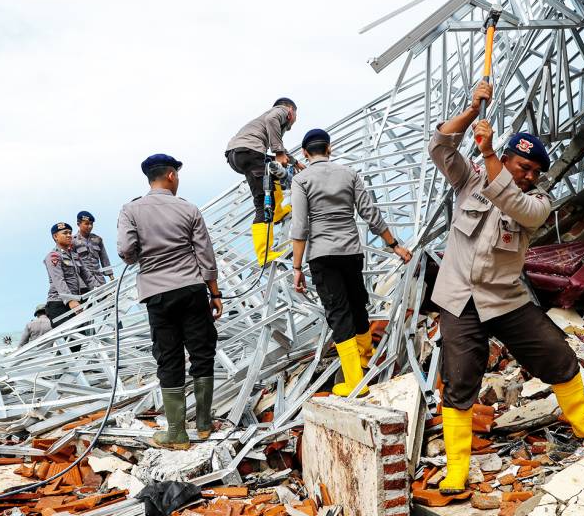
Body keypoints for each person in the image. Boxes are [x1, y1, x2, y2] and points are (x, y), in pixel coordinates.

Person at [428, 82, 584, 494]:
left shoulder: (537, 202)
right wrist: (470, 112)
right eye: (523, 167)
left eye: (535, 171)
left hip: (506, 298)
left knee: (555, 353)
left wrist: (487, 155)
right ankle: (458, 468)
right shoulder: (470, 179)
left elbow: (515, 206)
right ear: (507, 159)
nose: (530, 176)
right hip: (459, 298)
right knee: (460, 377)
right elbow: (441, 146)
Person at [290, 129, 412, 396]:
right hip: (351, 251)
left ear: (305, 154)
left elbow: (299, 227)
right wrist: (394, 245)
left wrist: (297, 268)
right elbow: (370, 213)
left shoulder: (301, 180)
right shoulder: (349, 174)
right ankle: (365, 362)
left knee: (338, 312)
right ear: (329, 148)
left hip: (322, 255)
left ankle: (356, 382)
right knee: (358, 306)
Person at [117, 154, 222, 448]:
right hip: (191, 289)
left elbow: (126, 250)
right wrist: (214, 293)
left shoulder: (131, 210)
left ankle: (176, 432)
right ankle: (203, 424)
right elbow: (205, 255)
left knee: (168, 356)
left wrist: (141, 256)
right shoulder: (188, 209)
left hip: (157, 293)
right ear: (171, 176)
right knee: (202, 352)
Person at [225, 98, 303, 265]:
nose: (294, 120)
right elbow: (272, 120)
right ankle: (264, 253)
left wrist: (294, 162)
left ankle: (278, 212)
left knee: (271, 170)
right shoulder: (282, 111)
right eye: (296, 115)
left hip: (238, 154)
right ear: (291, 110)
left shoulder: (264, 124)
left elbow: (278, 151)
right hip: (249, 151)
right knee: (262, 203)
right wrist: (278, 151)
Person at [43, 222, 97, 335]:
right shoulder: (53, 256)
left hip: (75, 301)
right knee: (70, 337)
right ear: (55, 237)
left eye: (70, 233)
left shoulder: (75, 256)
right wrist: (70, 300)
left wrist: (101, 290)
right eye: (65, 233)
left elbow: (87, 277)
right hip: (59, 303)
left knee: (79, 338)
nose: (69, 235)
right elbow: (59, 280)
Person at [73, 211, 114, 286]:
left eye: (91, 224)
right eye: (87, 224)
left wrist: (110, 275)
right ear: (78, 224)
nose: (90, 226)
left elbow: (104, 259)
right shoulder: (73, 241)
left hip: (99, 279)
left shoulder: (97, 239)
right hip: (83, 281)